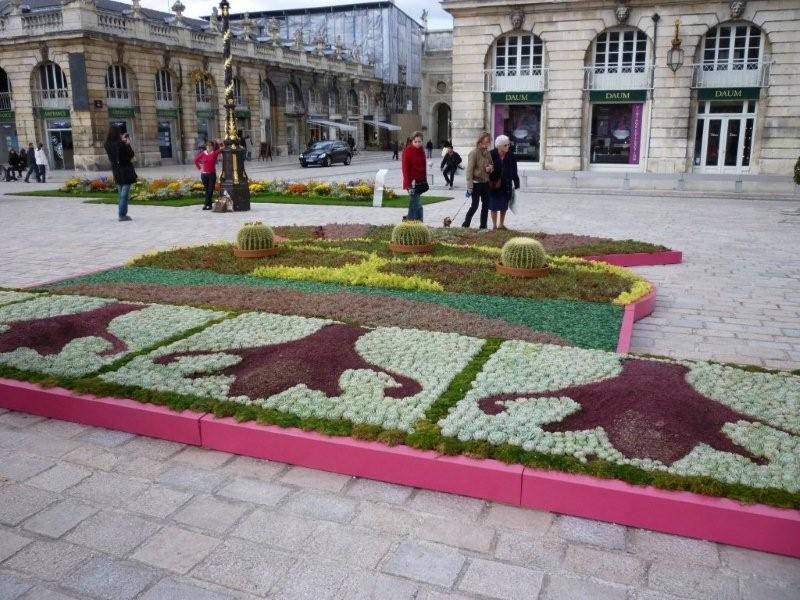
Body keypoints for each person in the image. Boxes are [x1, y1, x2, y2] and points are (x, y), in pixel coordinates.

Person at [104, 125, 137, 222]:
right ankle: (122, 215)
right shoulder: (121, 144)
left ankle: (122, 213)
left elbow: (115, 149)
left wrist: (122, 141)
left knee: (120, 193)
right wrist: (127, 143)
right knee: (124, 194)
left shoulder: (107, 144)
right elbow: (131, 154)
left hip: (116, 170)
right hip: (125, 169)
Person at [488, 134, 520, 230]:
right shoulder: (491, 154)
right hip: (494, 184)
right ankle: (494, 225)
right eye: (505, 145)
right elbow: (485, 169)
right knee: (493, 206)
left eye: (508, 145)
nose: (507, 147)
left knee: (504, 205)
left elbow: (514, 170)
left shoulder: (511, 155)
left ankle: (501, 224)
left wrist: (517, 182)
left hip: (506, 184)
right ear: (499, 146)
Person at [463, 132, 493, 229]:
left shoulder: (488, 153)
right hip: (476, 184)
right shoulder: (474, 153)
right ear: (480, 141)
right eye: (485, 142)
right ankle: (465, 224)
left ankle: (483, 226)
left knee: (486, 205)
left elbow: (492, 164)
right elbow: (469, 171)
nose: (486, 144)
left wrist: (490, 168)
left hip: (486, 183)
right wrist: (469, 186)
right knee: (474, 206)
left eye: (488, 142)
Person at [401, 131, 427, 222]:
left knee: (416, 203)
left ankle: (414, 221)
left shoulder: (422, 150)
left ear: (422, 141)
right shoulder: (408, 150)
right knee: (416, 203)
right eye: (415, 141)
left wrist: (425, 180)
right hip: (411, 182)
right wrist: (408, 185)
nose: (418, 143)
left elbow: (424, 167)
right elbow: (405, 169)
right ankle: (414, 222)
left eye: (419, 141)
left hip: (420, 182)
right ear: (412, 141)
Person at [194, 139, 222, 210]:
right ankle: (209, 205)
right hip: (204, 175)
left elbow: (222, 148)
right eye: (207, 146)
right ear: (206, 147)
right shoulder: (203, 153)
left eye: (210, 146)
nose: (209, 147)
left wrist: (220, 143)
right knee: (207, 190)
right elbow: (195, 160)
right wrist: (199, 168)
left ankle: (205, 204)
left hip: (212, 174)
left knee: (210, 190)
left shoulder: (214, 153)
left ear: (212, 147)